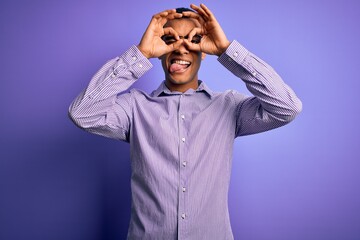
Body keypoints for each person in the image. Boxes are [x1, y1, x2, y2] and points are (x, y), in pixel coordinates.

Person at [69, 3, 302, 239]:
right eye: (170, 40)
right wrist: (140, 53)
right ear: (160, 50)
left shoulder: (229, 106)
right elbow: (82, 112)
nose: (181, 49)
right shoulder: (134, 108)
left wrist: (226, 50)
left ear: (203, 50)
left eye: (191, 40)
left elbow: (286, 107)